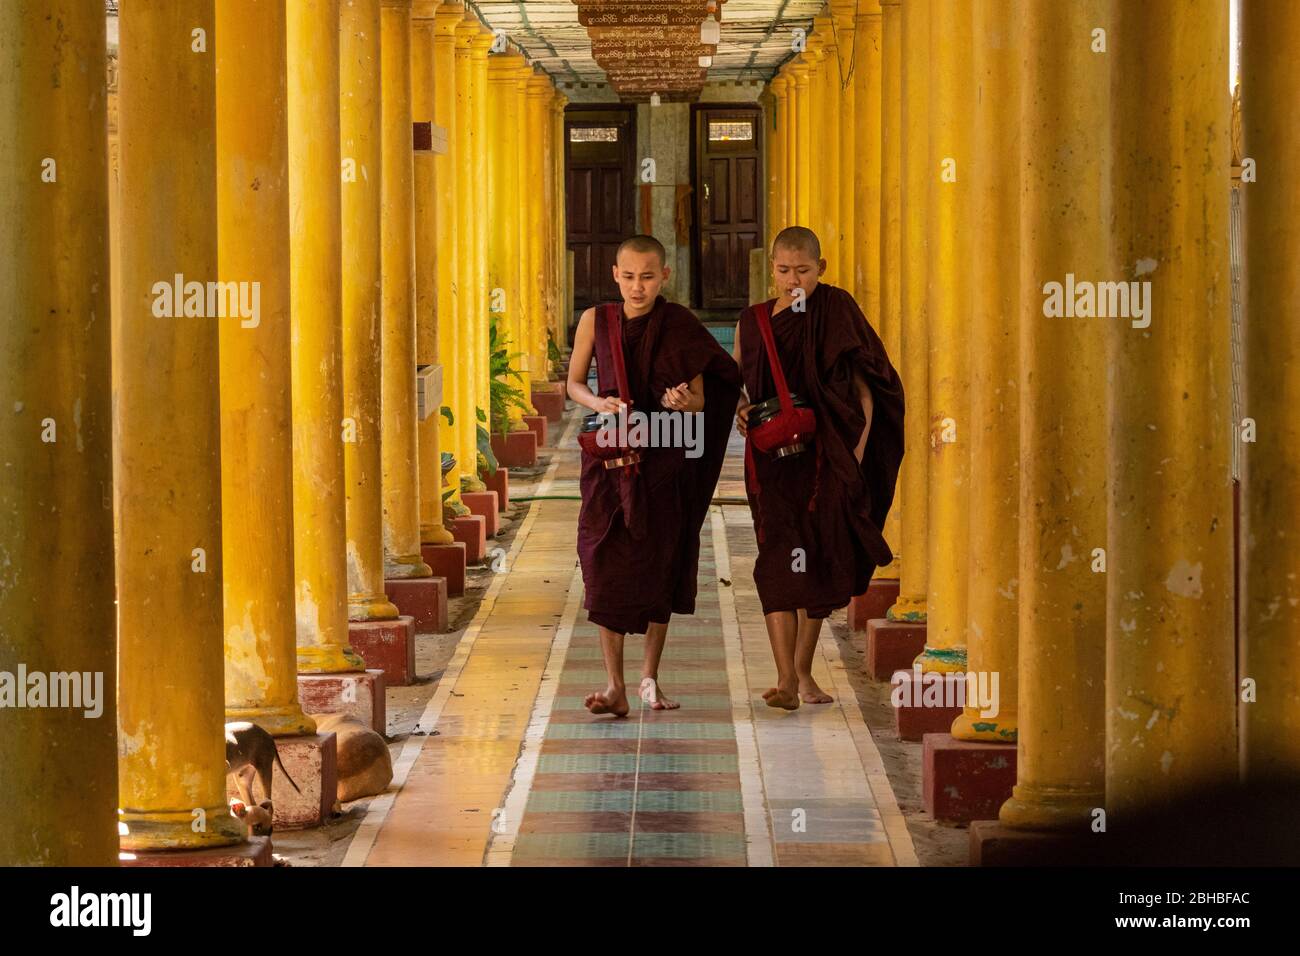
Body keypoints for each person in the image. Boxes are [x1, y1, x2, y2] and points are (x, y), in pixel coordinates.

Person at [568, 235, 742, 716]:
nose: (637, 287)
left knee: (659, 560)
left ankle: (648, 679)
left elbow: (706, 396)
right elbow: (574, 383)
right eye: (628, 277)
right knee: (602, 560)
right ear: (614, 275)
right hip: (610, 456)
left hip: (664, 460)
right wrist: (596, 402)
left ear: (665, 276)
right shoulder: (595, 321)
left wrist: (687, 403)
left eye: (647, 277)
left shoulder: (680, 325)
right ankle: (613, 683)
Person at [735, 226, 904, 709]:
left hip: (827, 459)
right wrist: (741, 411)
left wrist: (855, 456)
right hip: (772, 462)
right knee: (776, 563)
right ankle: (787, 678)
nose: (794, 281)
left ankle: (802, 674)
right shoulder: (753, 321)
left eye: (803, 272)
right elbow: (741, 388)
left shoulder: (835, 309)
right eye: (784, 271)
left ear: (821, 269)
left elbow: (868, 390)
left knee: (819, 559)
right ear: (772, 269)